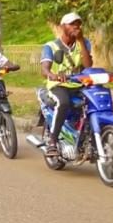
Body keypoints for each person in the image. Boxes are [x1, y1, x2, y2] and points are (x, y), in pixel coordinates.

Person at [40, 12, 93, 157]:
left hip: (79, 84)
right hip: (58, 86)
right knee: (63, 103)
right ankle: (52, 142)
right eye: (72, 24)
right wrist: (54, 75)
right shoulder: (51, 46)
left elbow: (88, 66)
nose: (76, 26)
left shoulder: (85, 43)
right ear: (63, 26)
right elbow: (45, 69)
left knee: (96, 101)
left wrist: (81, 41)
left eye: (78, 24)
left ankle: (90, 137)